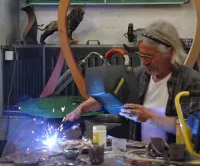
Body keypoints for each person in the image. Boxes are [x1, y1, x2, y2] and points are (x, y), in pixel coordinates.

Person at [65, 20, 200, 144]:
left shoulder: (191, 81)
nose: (144, 62)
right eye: (141, 55)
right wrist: (80, 109)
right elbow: (107, 96)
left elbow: (192, 128)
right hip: (139, 155)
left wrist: (149, 117)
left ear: (170, 52)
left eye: (149, 56)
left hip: (174, 157)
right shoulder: (138, 74)